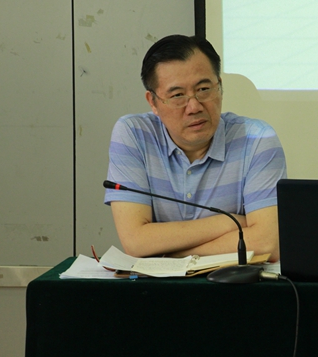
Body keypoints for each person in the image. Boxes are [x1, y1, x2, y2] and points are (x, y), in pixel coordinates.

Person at [104, 35, 286, 261]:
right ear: (153, 102)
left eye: (203, 89)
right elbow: (135, 241)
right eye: (178, 95)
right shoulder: (134, 134)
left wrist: (174, 253)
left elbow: (267, 243)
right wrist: (227, 222)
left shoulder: (257, 139)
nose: (194, 106)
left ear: (220, 87)